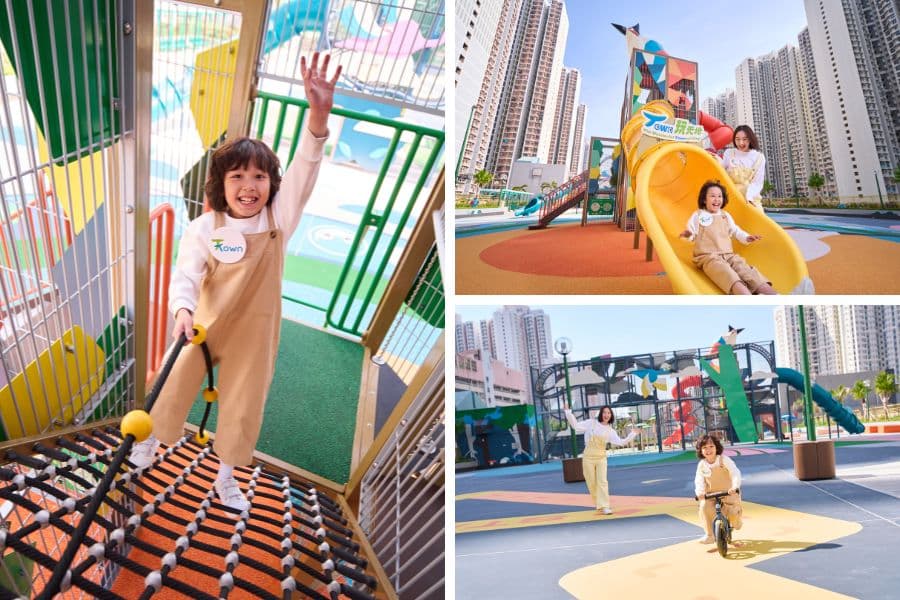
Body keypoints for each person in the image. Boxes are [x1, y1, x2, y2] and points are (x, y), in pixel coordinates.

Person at [130, 53, 342, 512]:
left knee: (244, 404)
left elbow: (305, 169)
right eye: (238, 176)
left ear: (271, 184)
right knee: (172, 382)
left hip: (255, 333)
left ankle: (226, 477)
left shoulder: (277, 219)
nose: (250, 185)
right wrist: (182, 311)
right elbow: (186, 275)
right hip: (202, 326)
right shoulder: (206, 228)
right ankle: (149, 441)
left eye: (259, 176)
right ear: (221, 185)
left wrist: (318, 118)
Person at [679, 180, 777, 295]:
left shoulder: (725, 215)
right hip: (708, 257)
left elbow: (735, 230)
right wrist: (688, 234)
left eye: (719, 196)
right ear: (704, 200)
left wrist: (746, 237)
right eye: (712, 196)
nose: (717, 199)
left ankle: (775, 296)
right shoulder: (698, 215)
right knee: (728, 275)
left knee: (746, 271)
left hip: (728, 255)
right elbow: (692, 231)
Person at [564, 406, 638, 515]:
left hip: (601, 458)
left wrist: (633, 434)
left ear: (611, 415)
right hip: (588, 457)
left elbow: (621, 442)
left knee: (602, 481)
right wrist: (568, 412)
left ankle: (605, 506)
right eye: (604, 412)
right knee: (591, 481)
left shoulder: (610, 431)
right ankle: (599, 504)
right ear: (600, 414)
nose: (606, 415)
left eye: (609, 413)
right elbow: (575, 426)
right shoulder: (591, 423)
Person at [693, 434, 743, 545]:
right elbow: (699, 480)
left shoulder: (723, 460)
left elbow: (735, 473)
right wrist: (700, 492)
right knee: (704, 506)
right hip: (712, 495)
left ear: (716, 447)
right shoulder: (702, 465)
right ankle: (709, 535)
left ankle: (737, 521)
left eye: (711, 446)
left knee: (734, 517)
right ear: (700, 450)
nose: (708, 450)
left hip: (729, 493)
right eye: (704, 448)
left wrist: (735, 486)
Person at [719, 125, 765, 209]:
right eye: (737, 139)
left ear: (750, 139)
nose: (741, 143)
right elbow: (720, 171)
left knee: (756, 214)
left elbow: (757, 183)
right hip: (729, 196)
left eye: (745, 139)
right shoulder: (729, 153)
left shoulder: (759, 157)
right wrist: (714, 158)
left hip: (751, 197)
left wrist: (749, 196)